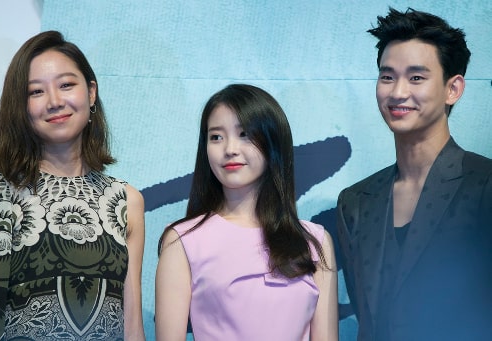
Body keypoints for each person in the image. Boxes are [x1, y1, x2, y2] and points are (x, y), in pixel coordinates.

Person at [0, 31, 146, 341]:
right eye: (36, 92)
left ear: (91, 92)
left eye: (67, 85)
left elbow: (132, 321)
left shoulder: (126, 200)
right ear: (21, 107)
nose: (55, 102)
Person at [337, 8, 492, 341]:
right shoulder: (355, 201)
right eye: (387, 76)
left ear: (453, 89)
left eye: (416, 77)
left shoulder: (483, 183)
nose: (397, 92)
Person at [155, 84, 338, 341]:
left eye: (244, 134)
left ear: (273, 142)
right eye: (216, 137)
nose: (230, 148)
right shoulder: (183, 239)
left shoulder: (315, 241)